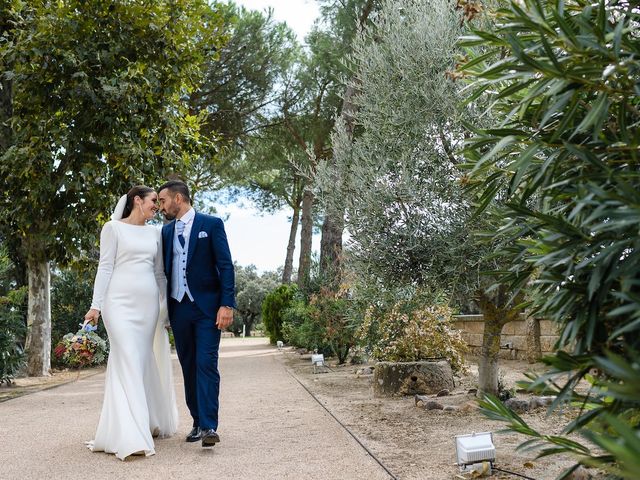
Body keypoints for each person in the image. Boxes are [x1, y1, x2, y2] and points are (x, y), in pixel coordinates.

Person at [83, 185, 178, 460]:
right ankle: (131, 435)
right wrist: (96, 305)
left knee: (141, 360)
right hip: (117, 304)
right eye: (152, 202)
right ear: (137, 200)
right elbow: (105, 266)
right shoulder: (112, 229)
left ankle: (143, 421)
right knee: (125, 358)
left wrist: (166, 308)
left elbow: (160, 274)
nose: (156, 207)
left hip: (147, 306)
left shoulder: (155, 233)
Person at [157, 180, 235, 448]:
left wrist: (227, 304)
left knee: (206, 363)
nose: (160, 207)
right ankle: (197, 421)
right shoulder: (165, 233)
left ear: (179, 199)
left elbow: (225, 266)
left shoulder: (211, 224)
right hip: (179, 308)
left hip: (207, 309)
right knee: (188, 365)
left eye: (163, 200)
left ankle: (209, 425)